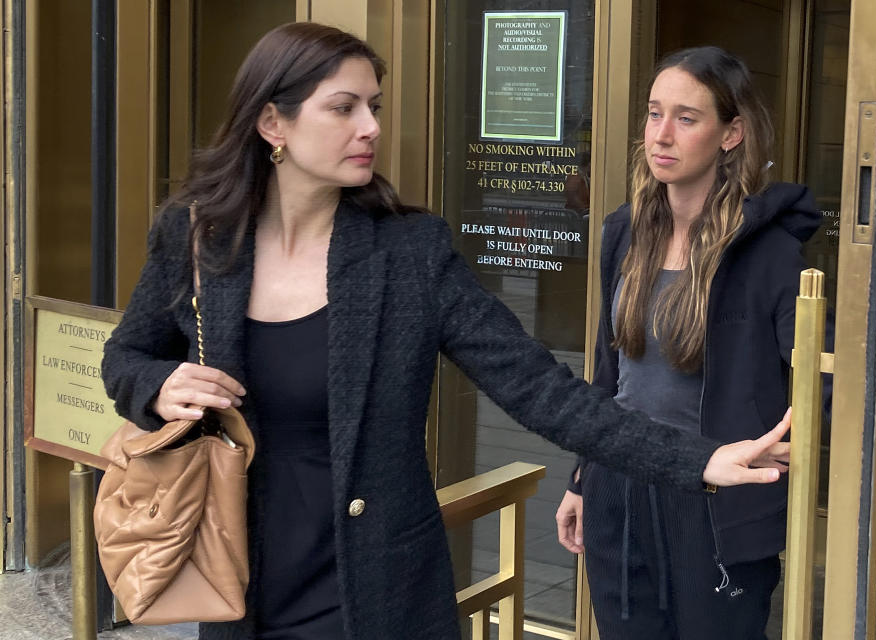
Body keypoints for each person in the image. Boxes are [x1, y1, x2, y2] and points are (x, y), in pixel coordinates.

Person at [102, 25, 791, 640]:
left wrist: (696, 462)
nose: (370, 125)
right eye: (344, 108)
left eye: (373, 105)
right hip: (241, 583)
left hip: (375, 590)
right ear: (273, 124)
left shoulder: (409, 253)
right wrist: (159, 384)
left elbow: (542, 390)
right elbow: (127, 357)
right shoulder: (197, 237)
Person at [555, 47, 819, 640]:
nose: (662, 135)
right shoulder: (623, 231)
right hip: (618, 488)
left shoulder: (771, 255)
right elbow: (608, 371)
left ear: (732, 134)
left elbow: (818, 377)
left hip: (715, 501)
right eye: (654, 114)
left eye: (687, 118)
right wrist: (580, 479)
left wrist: (790, 442)